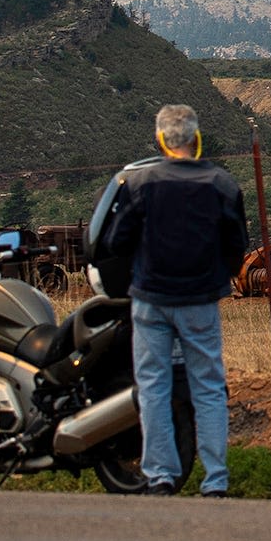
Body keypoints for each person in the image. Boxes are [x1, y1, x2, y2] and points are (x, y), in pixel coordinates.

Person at [95, 103, 246, 496]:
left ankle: (160, 477)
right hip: (200, 301)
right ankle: (216, 481)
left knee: (153, 386)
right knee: (209, 387)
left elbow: (116, 241)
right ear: (196, 140)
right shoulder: (223, 184)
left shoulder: (141, 184)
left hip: (151, 300)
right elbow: (237, 249)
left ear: (161, 140)